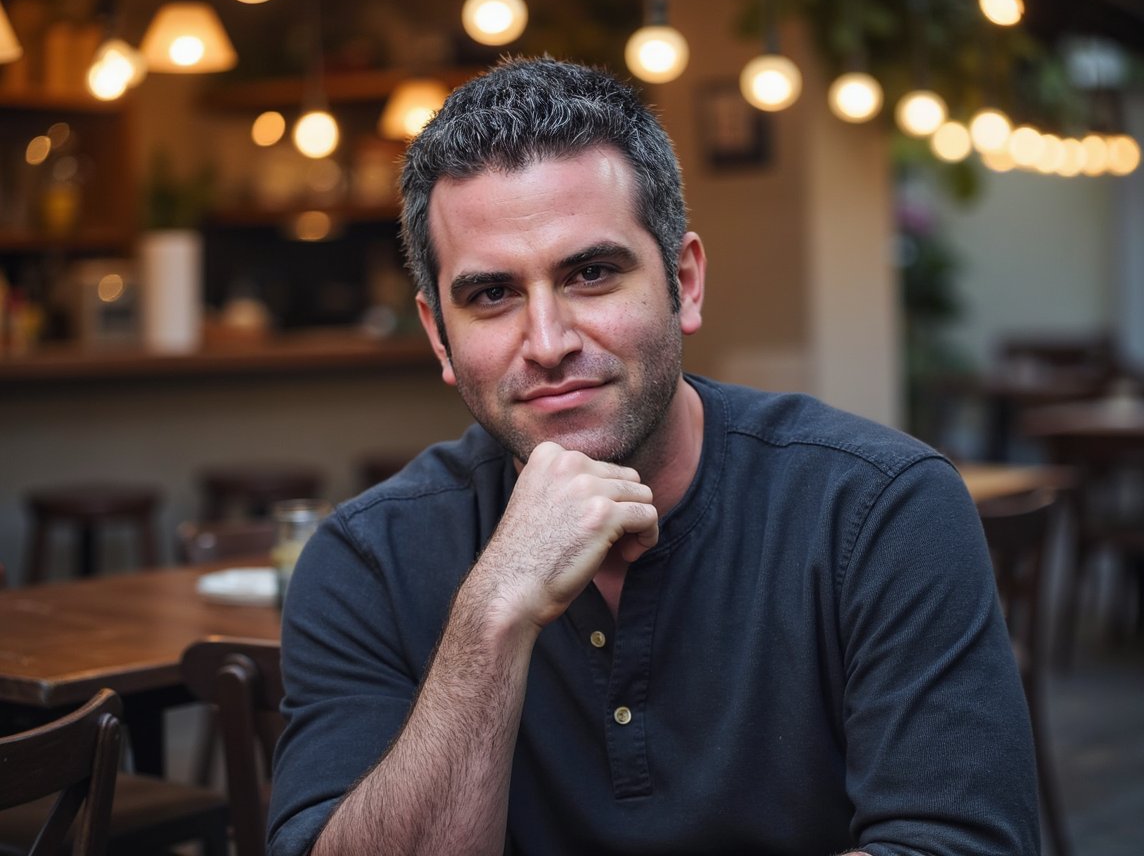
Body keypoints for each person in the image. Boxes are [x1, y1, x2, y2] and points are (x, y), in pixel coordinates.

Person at [269, 56, 1039, 856]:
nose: (548, 343)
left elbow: (958, 844)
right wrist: (493, 612)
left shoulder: (879, 511)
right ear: (438, 336)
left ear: (684, 281)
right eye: (492, 295)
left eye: (592, 274)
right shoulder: (367, 559)